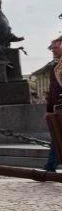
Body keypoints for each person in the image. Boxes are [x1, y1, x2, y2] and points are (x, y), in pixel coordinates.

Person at [42, 35, 62, 173]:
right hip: (59, 108)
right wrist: (49, 109)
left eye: (55, 48)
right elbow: (53, 90)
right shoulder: (56, 66)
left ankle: (50, 166)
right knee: (57, 136)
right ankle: (50, 166)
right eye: (52, 48)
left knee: (57, 137)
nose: (53, 50)